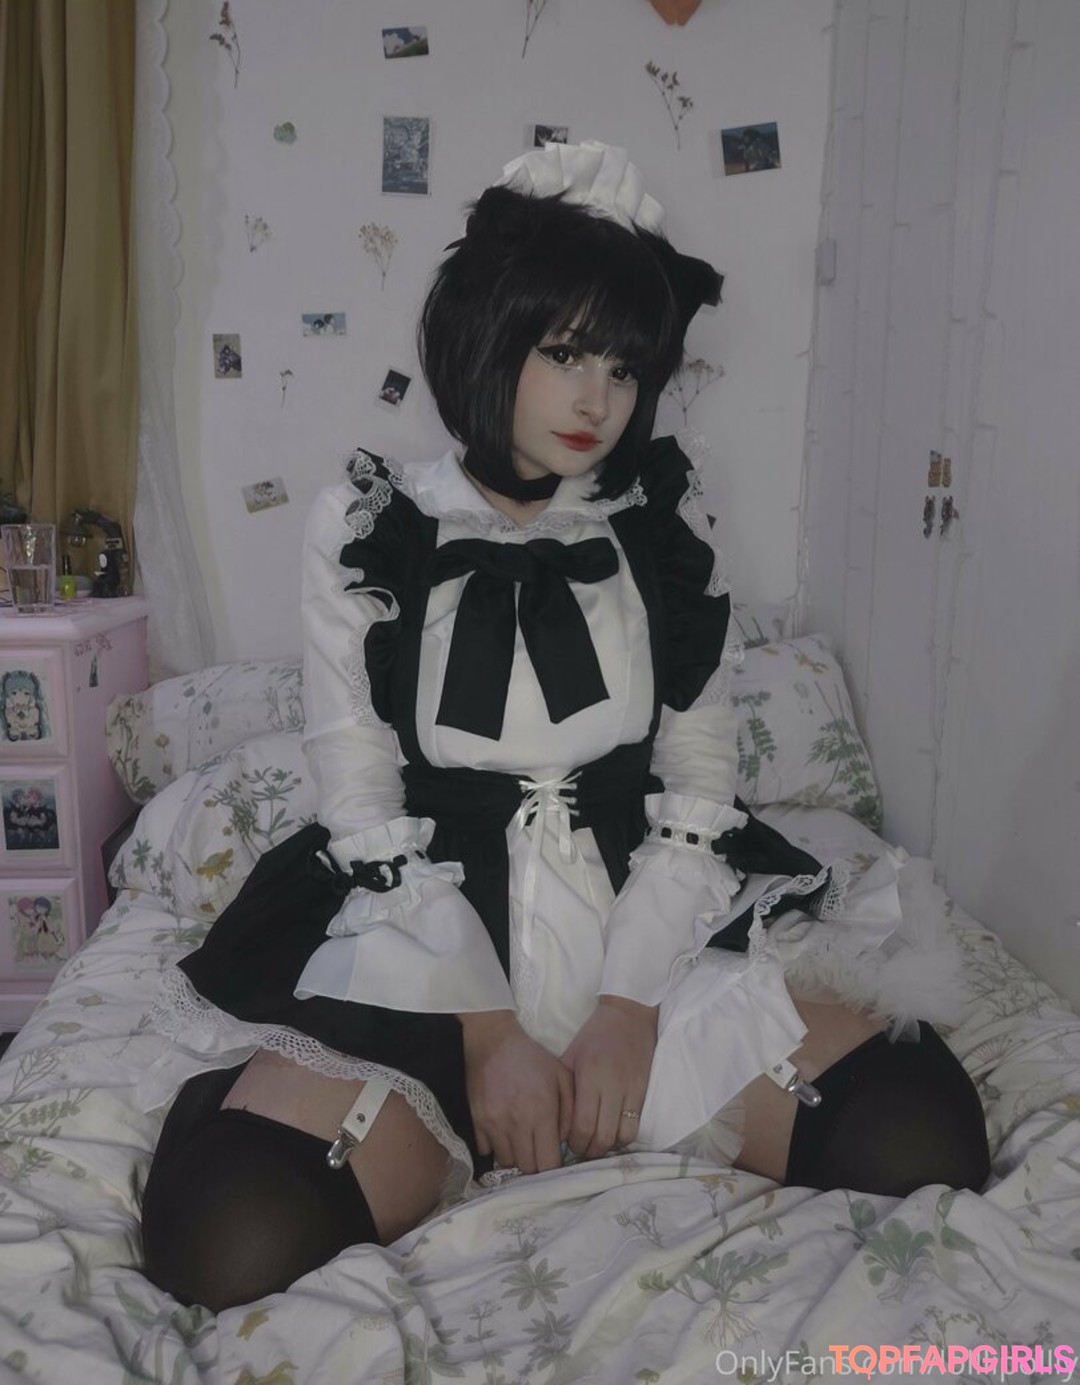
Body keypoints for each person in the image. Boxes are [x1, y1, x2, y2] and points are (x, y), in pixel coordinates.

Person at [140, 142, 989, 1312]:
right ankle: (435, 1111)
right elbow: (360, 792)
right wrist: (490, 1031)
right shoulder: (372, 521)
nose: (600, 399)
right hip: (429, 928)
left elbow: (700, 772)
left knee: (919, 1133)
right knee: (231, 1232)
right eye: (565, 352)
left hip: (648, 905)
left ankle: (621, 1080)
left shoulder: (660, 520)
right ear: (488, 337)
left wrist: (630, 1002)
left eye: (625, 366)